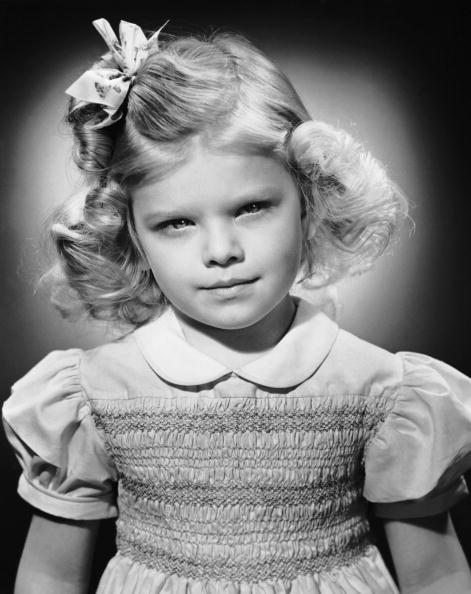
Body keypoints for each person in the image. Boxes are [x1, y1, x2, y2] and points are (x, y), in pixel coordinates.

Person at [2, 16, 471, 594]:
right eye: (176, 223)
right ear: (132, 235)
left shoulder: (382, 390)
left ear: (309, 201)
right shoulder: (94, 394)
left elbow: (437, 575)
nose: (221, 251)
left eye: (251, 208)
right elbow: (49, 574)